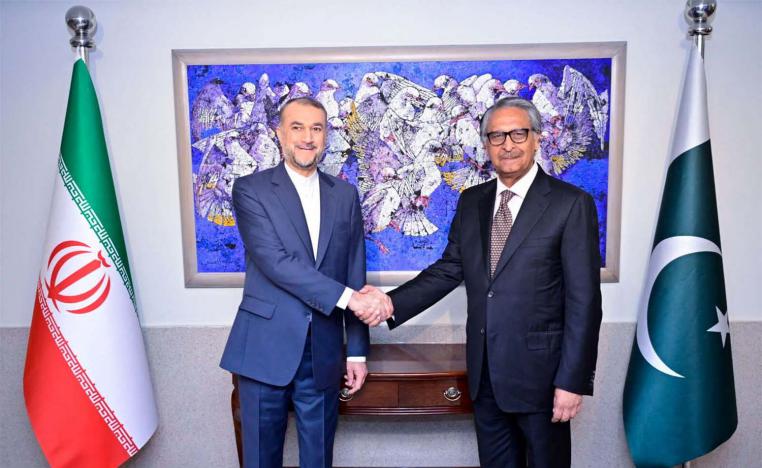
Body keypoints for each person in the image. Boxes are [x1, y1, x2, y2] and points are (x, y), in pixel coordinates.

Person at [361, 97, 602, 467]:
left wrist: (571, 382)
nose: (507, 144)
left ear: (537, 138)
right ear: (485, 144)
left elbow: (585, 302)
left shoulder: (570, 204)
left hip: (543, 379)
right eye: (496, 136)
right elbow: (449, 269)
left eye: (518, 133)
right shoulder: (472, 201)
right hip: (485, 376)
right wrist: (391, 304)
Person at [220, 97, 391, 468]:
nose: (307, 137)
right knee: (261, 459)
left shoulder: (344, 195)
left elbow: (353, 270)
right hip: (265, 349)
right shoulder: (250, 190)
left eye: (316, 128)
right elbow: (276, 263)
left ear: (326, 136)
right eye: (297, 127)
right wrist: (352, 300)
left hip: (324, 351)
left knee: (319, 459)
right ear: (280, 134)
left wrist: (357, 351)